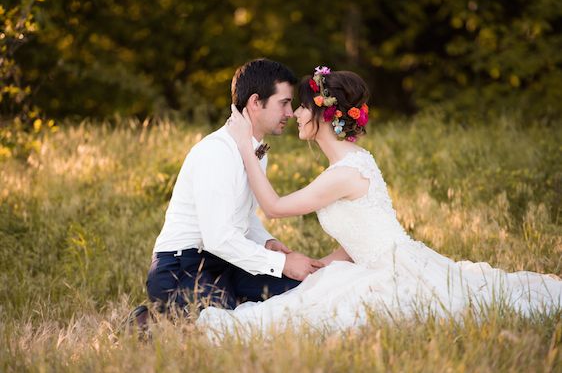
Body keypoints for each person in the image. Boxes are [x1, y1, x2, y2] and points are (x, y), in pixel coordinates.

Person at [197, 66, 562, 335]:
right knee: (306, 302)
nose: (294, 114)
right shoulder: (351, 163)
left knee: (305, 319)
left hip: (392, 271)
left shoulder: (344, 173)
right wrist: (325, 264)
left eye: (302, 107)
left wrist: (246, 146)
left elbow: (274, 208)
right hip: (374, 261)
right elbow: (362, 234)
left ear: (322, 114)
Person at [140, 59, 325, 323]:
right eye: (283, 103)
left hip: (227, 259)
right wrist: (282, 263)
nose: (290, 112)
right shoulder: (216, 152)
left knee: (296, 295)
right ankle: (151, 320)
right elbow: (218, 237)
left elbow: (242, 213)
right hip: (184, 265)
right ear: (255, 103)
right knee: (220, 325)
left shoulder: (255, 151)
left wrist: (266, 242)